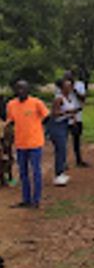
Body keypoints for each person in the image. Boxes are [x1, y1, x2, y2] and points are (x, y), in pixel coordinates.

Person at [6, 80, 49, 208]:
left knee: (36, 171)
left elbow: (47, 117)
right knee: (23, 173)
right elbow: (11, 122)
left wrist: (38, 128)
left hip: (35, 143)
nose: (20, 91)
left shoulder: (36, 103)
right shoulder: (11, 105)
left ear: (28, 90)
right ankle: (26, 199)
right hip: (20, 144)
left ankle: (36, 200)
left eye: (23, 89)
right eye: (18, 89)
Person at [48, 78, 78, 186]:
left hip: (65, 124)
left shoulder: (69, 98)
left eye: (70, 86)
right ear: (62, 88)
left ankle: (61, 172)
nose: (70, 88)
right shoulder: (59, 99)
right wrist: (67, 112)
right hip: (57, 125)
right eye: (67, 86)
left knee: (63, 149)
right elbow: (54, 113)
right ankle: (58, 175)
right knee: (60, 149)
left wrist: (73, 118)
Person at [64, 68, 89, 167]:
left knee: (77, 139)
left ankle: (79, 160)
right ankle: (63, 162)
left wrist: (74, 90)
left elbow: (83, 98)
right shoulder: (61, 86)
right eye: (66, 78)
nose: (68, 80)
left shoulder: (79, 85)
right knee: (63, 140)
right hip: (65, 116)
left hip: (77, 116)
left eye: (69, 77)